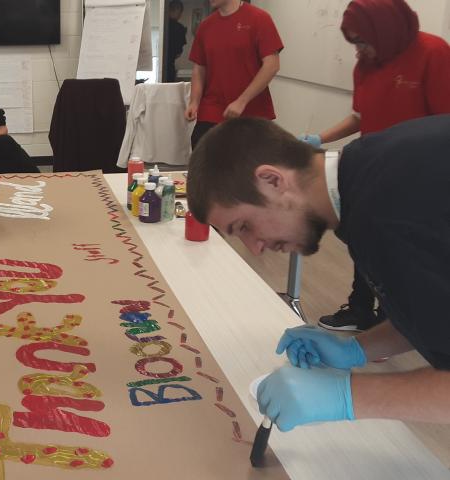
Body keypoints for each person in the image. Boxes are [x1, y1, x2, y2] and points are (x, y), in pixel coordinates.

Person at [186, 115, 450, 432]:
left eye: (245, 226)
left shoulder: (388, 214)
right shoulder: (362, 174)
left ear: (272, 180)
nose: (254, 248)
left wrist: (347, 395)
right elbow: (432, 310)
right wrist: (357, 349)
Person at [297, 0, 450, 333]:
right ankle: (360, 308)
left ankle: (398, 321)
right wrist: (317, 138)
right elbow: (359, 117)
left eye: (363, 40)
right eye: (353, 42)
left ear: (386, 29)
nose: (359, 50)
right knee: (363, 239)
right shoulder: (365, 64)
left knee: (404, 252)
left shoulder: (433, 53)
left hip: (418, 174)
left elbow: (445, 122)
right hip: (373, 170)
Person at [185, 0, 283, 148]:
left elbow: (272, 65)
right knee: (204, 164)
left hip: (252, 114)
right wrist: (194, 101)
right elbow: (199, 67)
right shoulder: (206, 26)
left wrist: (242, 101)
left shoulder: (259, 19)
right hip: (211, 112)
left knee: (248, 169)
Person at [162, 0, 187, 83]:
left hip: (161, 65)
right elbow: (179, 53)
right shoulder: (180, 28)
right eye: (180, 12)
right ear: (178, 10)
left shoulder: (162, 25)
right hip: (170, 67)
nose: (180, 15)